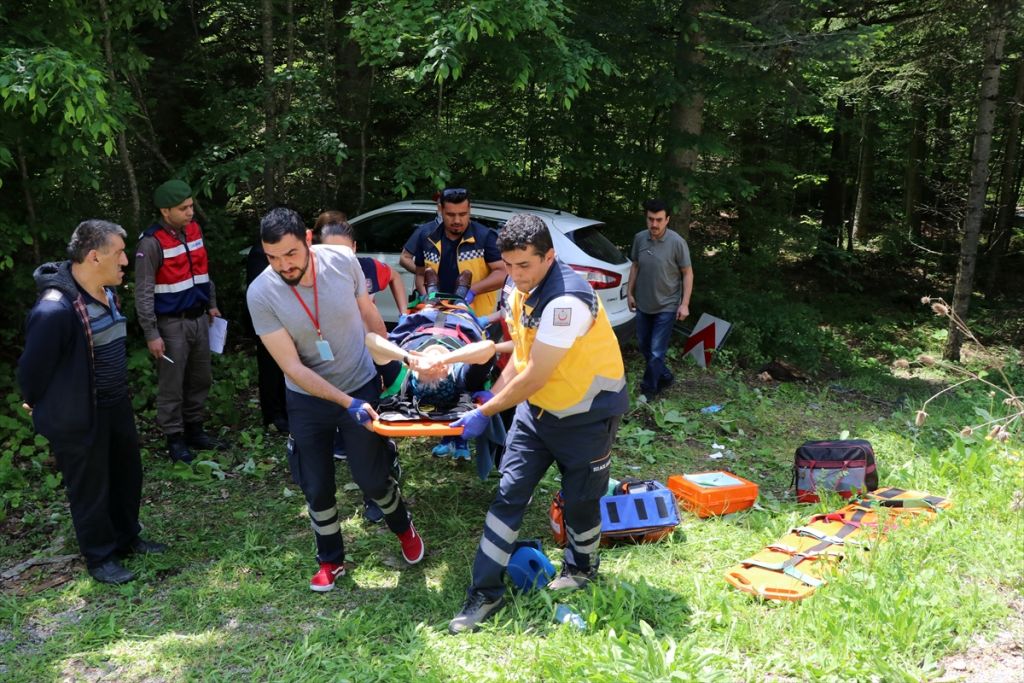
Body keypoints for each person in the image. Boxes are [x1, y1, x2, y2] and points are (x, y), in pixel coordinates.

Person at [446, 213, 628, 634]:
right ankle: (484, 592)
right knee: (508, 496)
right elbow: (524, 355)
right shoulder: (517, 284)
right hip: (537, 413)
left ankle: (581, 568)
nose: (514, 275)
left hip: (587, 414)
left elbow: (535, 374)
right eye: (508, 265)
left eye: (524, 265)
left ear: (549, 256)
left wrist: (484, 412)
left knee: (581, 500)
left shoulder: (567, 300)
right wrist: (492, 395)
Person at [246, 207, 425, 592]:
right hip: (308, 399)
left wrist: (394, 367)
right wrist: (345, 403)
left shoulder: (343, 263)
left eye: (290, 254)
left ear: (308, 240)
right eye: (272, 257)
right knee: (316, 485)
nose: (282, 265)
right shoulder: (261, 293)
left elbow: (371, 320)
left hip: (361, 384)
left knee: (373, 478)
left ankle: (403, 528)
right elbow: (292, 368)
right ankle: (331, 560)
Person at [18, 220, 167, 585]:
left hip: (115, 404)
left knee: (126, 474)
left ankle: (126, 538)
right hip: (81, 412)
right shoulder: (54, 310)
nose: (125, 261)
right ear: (93, 255)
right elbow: (32, 368)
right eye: (119, 253)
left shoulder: (104, 290)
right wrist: (37, 400)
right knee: (90, 486)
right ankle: (100, 558)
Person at [315, 211, 405, 522]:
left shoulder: (363, 272)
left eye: (344, 250)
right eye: (330, 251)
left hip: (366, 359)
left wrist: (391, 348)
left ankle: (377, 489)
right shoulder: (307, 280)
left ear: (353, 249)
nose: (337, 258)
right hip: (329, 363)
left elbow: (376, 313)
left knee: (368, 424)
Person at [406, 188, 505, 457]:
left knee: (471, 379)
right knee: (438, 372)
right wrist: (426, 297)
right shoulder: (428, 237)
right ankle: (445, 432)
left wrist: (473, 292)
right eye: (451, 215)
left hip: (472, 320)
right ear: (441, 211)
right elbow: (419, 272)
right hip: (437, 319)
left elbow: (502, 272)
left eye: (463, 214)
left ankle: (463, 436)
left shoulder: (484, 237)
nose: (458, 220)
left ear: (469, 210)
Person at [135, 179, 223, 462]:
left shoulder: (193, 230)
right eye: (183, 208)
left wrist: (212, 305)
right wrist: (151, 333)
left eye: (191, 206)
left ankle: (195, 430)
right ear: (165, 211)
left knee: (201, 377)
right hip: (171, 324)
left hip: (199, 318)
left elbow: (203, 270)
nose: (190, 212)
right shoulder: (150, 243)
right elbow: (144, 291)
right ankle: (175, 438)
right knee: (172, 383)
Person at [627, 198, 694, 401]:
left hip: (667, 305)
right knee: (645, 347)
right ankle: (665, 376)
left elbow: (687, 273)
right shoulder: (640, 239)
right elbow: (635, 266)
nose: (654, 224)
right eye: (650, 219)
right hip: (643, 303)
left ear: (667, 220)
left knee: (657, 351)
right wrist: (630, 293)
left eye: (658, 220)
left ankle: (649, 390)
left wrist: (684, 303)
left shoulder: (677, 243)